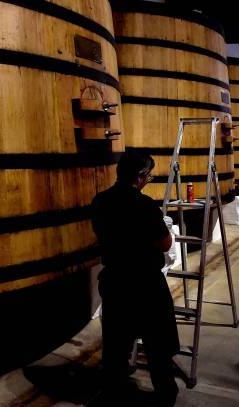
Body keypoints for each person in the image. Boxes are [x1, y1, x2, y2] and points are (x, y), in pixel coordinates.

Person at [89, 151, 179, 406]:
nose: (149, 179)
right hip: (145, 284)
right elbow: (164, 244)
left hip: (116, 281)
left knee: (116, 345)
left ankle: (113, 394)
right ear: (139, 177)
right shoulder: (145, 206)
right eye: (148, 175)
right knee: (158, 345)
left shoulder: (100, 201)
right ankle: (165, 396)